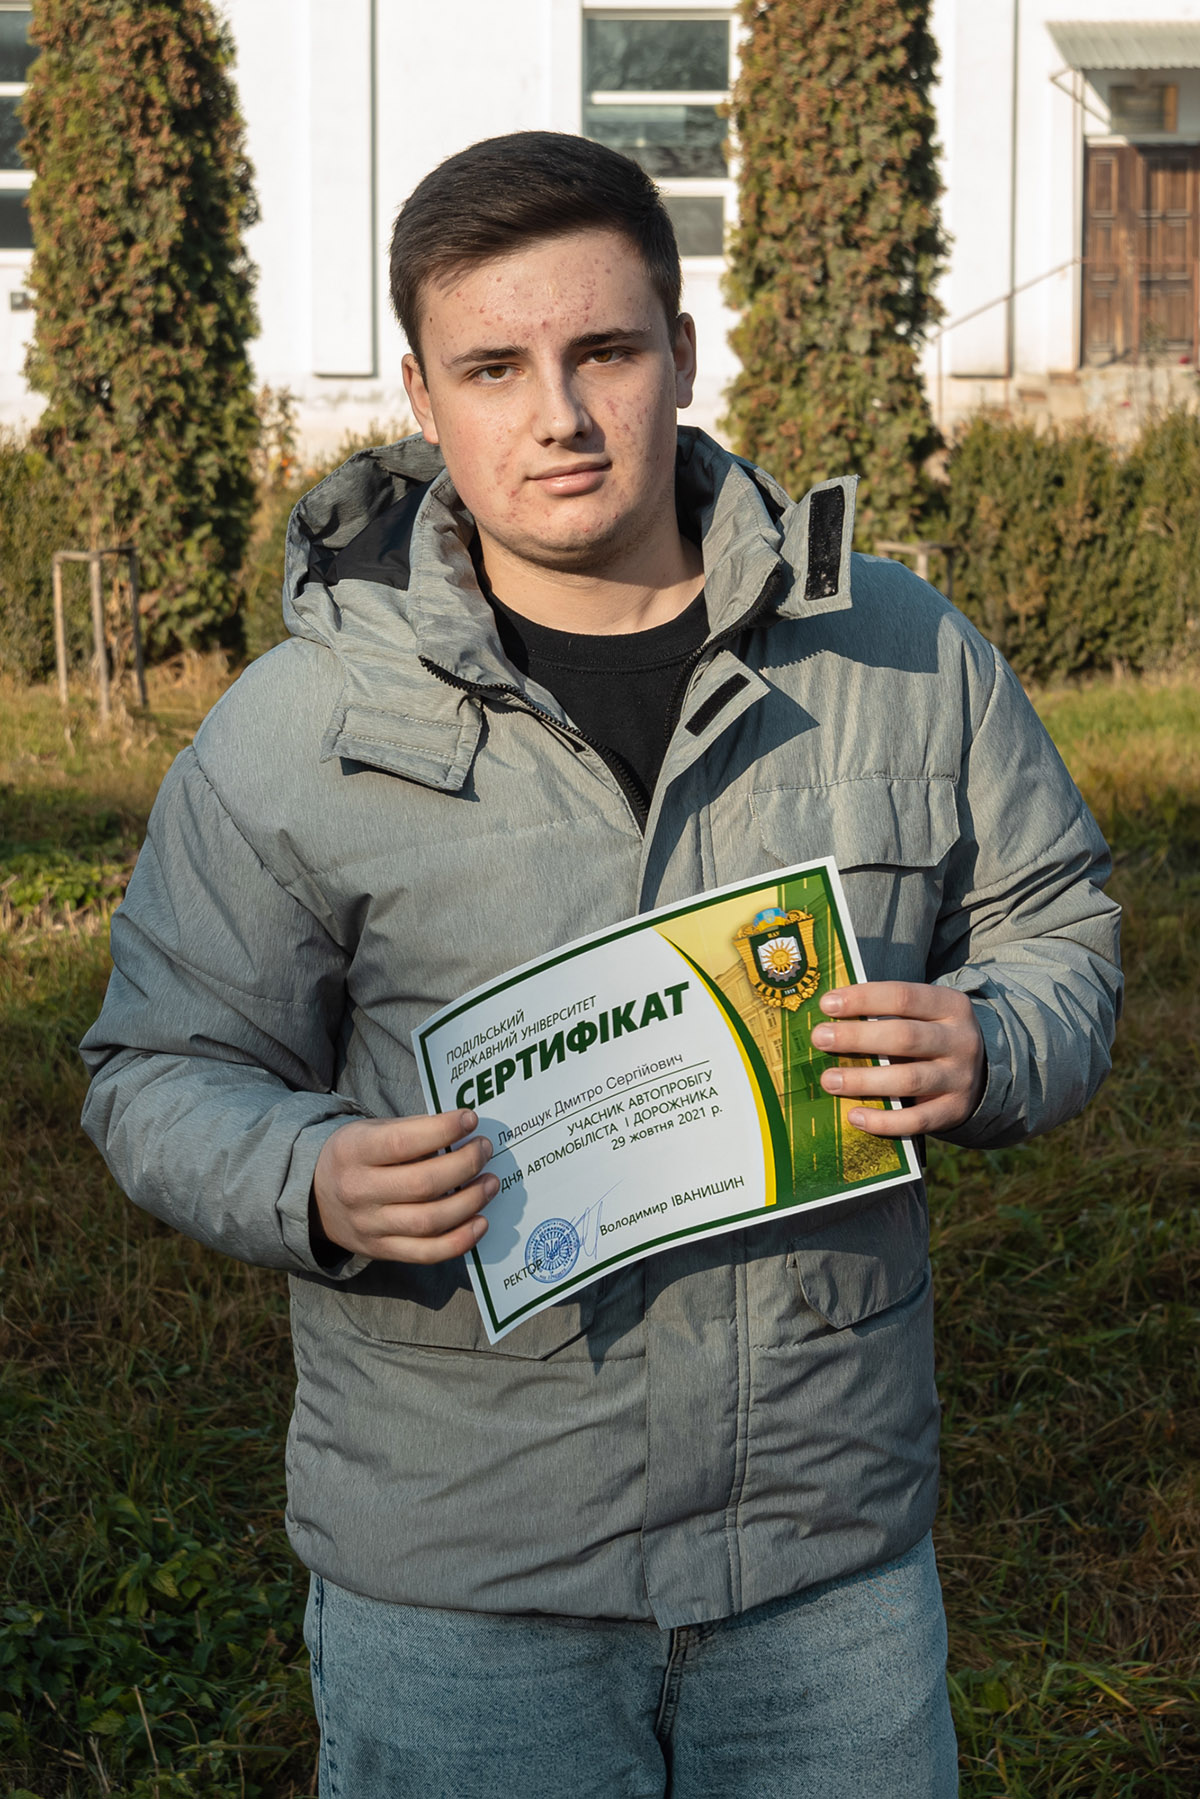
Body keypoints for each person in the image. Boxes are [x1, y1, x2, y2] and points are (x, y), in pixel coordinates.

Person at [81, 132, 1121, 1798]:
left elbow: (1058, 922)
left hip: (824, 1564)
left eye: (606, 352)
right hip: (463, 1585)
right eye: (494, 368)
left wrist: (991, 1041)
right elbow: (156, 1068)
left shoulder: (897, 653)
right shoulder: (299, 729)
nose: (558, 415)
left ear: (683, 355)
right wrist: (313, 1178)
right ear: (422, 397)